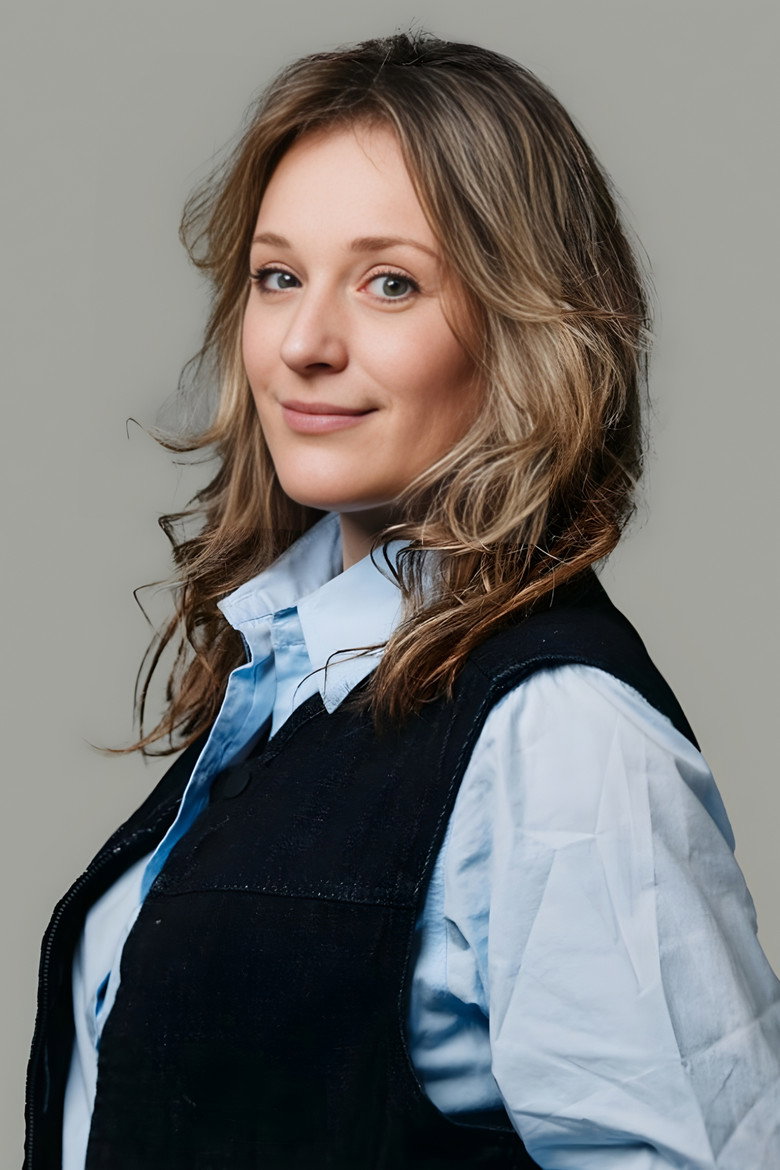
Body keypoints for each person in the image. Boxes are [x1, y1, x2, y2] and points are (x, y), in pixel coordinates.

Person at [24, 29, 780, 1170]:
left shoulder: (558, 733)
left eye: (391, 283)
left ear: (528, 326)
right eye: (278, 277)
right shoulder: (289, 674)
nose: (304, 344)